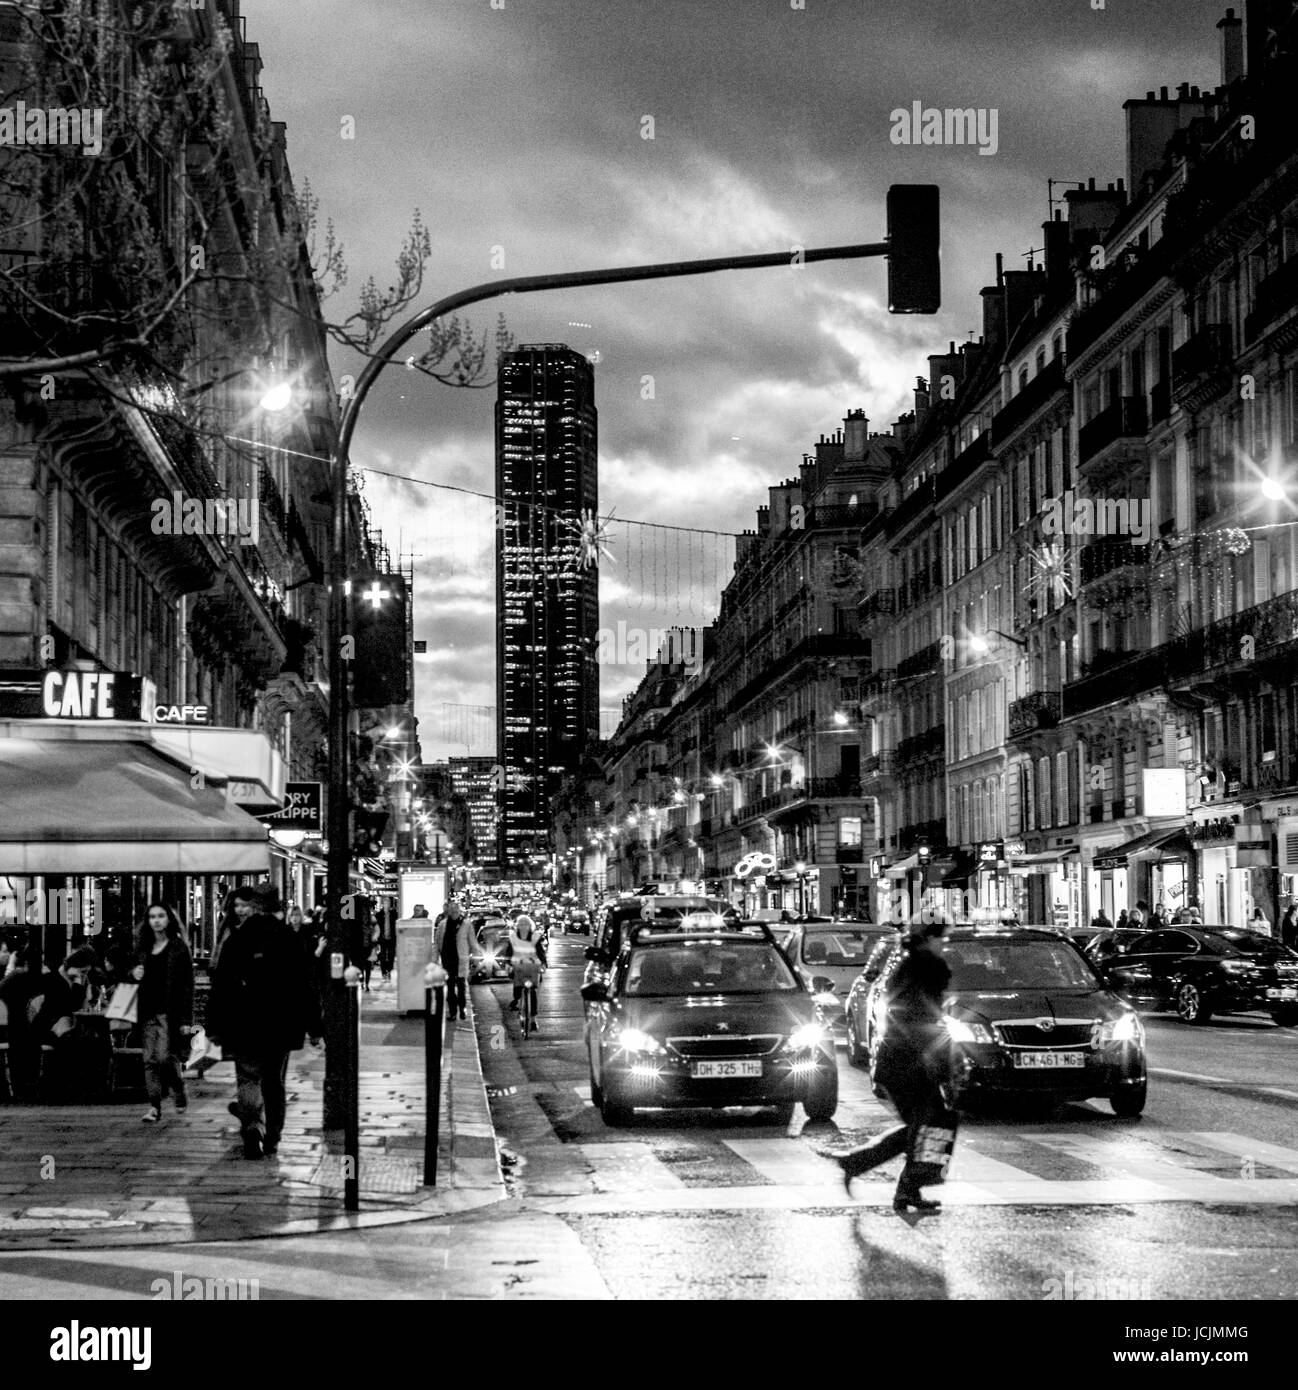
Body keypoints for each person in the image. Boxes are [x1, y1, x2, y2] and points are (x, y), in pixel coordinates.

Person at [831, 919, 954, 1213]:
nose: (944, 945)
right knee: (928, 1123)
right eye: (942, 939)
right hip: (908, 1064)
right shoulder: (923, 969)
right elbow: (920, 1024)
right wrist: (939, 1064)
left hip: (901, 1062)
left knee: (923, 1124)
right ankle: (897, 1183)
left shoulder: (911, 967)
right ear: (929, 940)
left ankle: (883, 1177)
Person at [206, 885, 321, 1160]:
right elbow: (305, 985)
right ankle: (273, 1137)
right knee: (274, 1082)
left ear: (256, 907)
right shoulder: (290, 939)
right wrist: (315, 1027)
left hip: (243, 1021)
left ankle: (251, 1127)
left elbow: (221, 985)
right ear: (277, 908)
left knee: (247, 1078)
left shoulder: (237, 939)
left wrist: (213, 1026)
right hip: (280, 1024)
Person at [131, 903, 194, 1123]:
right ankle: (154, 1106)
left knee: (165, 1057)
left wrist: (187, 1019)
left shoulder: (178, 947)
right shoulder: (143, 947)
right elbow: (129, 973)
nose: (156, 920)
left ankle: (178, 1088)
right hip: (147, 1009)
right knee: (149, 1059)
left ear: (169, 919)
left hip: (169, 1011)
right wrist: (134, 973)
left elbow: (188, 984)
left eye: (161, 916)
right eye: (152, 917)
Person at [504, 913, 546, 1028]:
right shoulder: (513, 937)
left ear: (530, 926)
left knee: (532, 991)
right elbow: (509, 952)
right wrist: (508, 964)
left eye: (526, 925)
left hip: (532, 967)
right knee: (517, 985)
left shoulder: (535, 937)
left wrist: (543, 964)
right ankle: (516, 999)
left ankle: (533, 1019)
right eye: (521, 925)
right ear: (517, 926)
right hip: (518, 967)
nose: (523, 927)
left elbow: (540, 952)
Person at [434, 900, 472, 1021]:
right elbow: (437, 942)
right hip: (447, 959)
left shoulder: (466, 924)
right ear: (448, 912)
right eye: (451, 910)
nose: (454, 912)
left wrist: (476, 956)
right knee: (450, 987)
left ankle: (462, 1008)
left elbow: (472, 941)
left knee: (461, 986)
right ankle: (453, 1012)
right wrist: (435, 959)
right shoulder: (442, 924)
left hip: (461, 959)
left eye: (456, 910)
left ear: (459, 911)